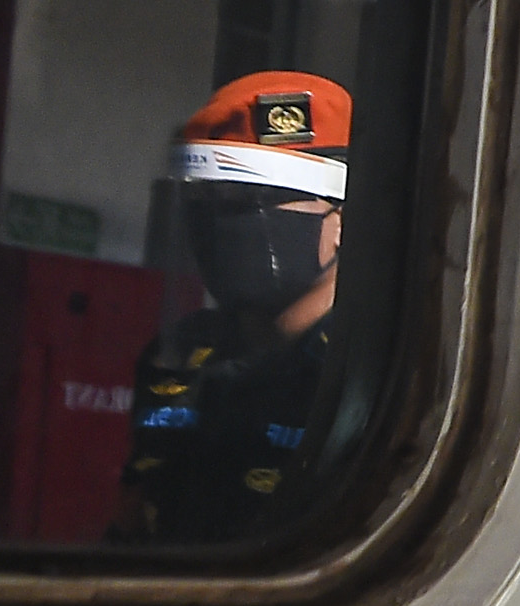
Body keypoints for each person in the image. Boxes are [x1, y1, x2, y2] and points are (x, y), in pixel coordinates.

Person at [113, 72, 348, 547]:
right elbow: (132, 528)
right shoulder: (177, 359)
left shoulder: (374, 371)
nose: (222, 220)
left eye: (253, 198)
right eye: (206, 199)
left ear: (343, 218)